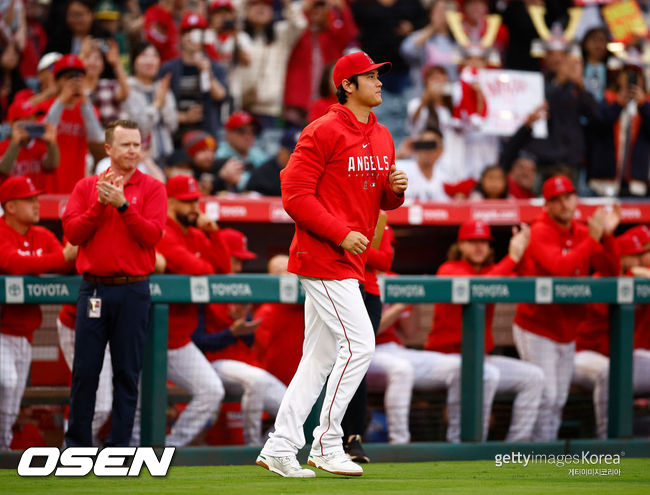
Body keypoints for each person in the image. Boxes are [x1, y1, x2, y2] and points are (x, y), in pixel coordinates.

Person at [256, 51, 408, 478]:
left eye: (379, 75)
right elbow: (296, 197)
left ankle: (281, 445)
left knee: (318, 360)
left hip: (350, 258)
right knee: (359, 346)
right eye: (370, 75)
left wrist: (393, 192)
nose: (379, 81)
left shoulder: (383, 135)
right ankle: (327, 441)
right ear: (347, 85)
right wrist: (340, 233)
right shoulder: (321, 130)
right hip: (323, 256)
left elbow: (377, 200)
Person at [62, 120, 167, 447]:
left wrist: (122, 205)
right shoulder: (86, 187)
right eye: (126, 145)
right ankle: (77, 446)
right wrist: (99, 205)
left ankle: (120, 448)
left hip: (134, 289)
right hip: (94, 288)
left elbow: (152, 236)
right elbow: (73, 234)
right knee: (85, 373)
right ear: (108, 149)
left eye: (137, 144)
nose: (133, 151)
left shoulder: (153, 188)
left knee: (127, 373)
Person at [512, 176, 620, 442]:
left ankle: (545, 452)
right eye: (556, 200)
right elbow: (559, 270)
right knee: (546, 394)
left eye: (568, 197)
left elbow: (611, 270)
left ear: (576, 199)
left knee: (558, 398)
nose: (564, 204)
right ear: (546, 205)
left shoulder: (583, 231)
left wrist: (606, 236)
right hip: (536, 326)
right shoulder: (539, 230)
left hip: (568, 329)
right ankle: (520, 449)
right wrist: (592, 239)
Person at [131, 175, 229, 446]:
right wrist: (204, 265)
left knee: (211, 390)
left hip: (178, 340)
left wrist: (214, 232)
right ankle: (129, 459)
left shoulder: (197, 234)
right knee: (138, 407)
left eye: (196, 200)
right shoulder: (161, 230)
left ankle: (171, 447)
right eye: (187, 202)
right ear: (171, 203)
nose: (194, 207)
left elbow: (223, 269)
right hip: (146, 337)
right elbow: (196, 269)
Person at [427, 220, 545, 442]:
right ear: (460, 245)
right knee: (486, 375)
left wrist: (524, 251)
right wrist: (511, 258)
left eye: (484, 242)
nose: (479, 247)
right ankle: (467, 443)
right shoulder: (449, 269)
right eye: (472, 242)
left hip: (480, 358)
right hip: (445, 357)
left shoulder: (494, 271)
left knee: (534, 377)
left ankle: (516, 446)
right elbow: (478, 287)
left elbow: (526, 282)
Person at [0, 176, 77, 450]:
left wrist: (76, 251)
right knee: (6, 381)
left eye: (36, 198)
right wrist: (63, 257)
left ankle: (3, 453)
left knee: (11, 405)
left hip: (25, 334)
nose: (36, 204)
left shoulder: (42, 235)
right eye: (29, 200)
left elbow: (65, 265)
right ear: (10, 206)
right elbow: (12, 264)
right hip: (1, 332)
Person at [195, 228, 288, 446]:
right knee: (254, 381)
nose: (238, 268)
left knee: (293, 410)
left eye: (241, 262)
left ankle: (267, 448)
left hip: (244, 364)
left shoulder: (239, 288)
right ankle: (252, 447)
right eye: (235, 260)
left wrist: (243, 325)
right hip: (213, 365)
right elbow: (198, 342)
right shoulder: (205, 284)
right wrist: (231, 333)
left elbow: (248, 342)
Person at [574, 230, 650, 439]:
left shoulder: (641, 281)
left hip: (621, 356)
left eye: (640, 254)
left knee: (617, 368)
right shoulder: (601, 280)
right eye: (633, 255)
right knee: (610, 373)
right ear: (620, 257)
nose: (639, 260)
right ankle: (607, 440)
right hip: (583, 354)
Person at [159, 12, 228, 142]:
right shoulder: (168, 69)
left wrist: (207, 72)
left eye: (197, 32)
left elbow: (221, 96)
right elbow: (158, 105)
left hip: (207, 136)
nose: (191, 37)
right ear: (180, 37)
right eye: (187, 32)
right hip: (175, 138)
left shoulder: (215, 67)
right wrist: (184, 116)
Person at [44, 53, 104, 194]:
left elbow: (96, 137)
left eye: (78, 77)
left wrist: (84, 102)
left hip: (77, 182)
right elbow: (44, 131)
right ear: (57, 81)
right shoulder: (45, 107)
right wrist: (61, 100)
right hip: (50, 181)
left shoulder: (89, 109)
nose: (74, 82)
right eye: (68, 77)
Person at [253, 255, 305, 387]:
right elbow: (259, 355)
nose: (287, 275)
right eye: (279, 271)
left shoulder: (310, 307)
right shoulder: (266, 312)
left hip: (306, 382)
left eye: (290, 270)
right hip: (274, 385)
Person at [123, 42, 178, 163]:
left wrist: (163, 106)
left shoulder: (162, 87)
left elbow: (173, 124)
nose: (150, 61)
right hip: (138, 158)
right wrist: (156, 104)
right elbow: (140, 127)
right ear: (134, 60)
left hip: (166, 155)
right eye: (144, 55)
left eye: (154, 56)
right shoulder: (127, 89)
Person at [0, 98, 59, 191]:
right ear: (13, 123)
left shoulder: (41, 143)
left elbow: (51, 164)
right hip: (13, 200)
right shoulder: (3, 145)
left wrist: (52, 144)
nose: (32, 122)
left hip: (38, 198)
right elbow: (4, 169)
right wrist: (15, 144)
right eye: (27, 118)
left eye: (34, 117)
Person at [396, 126, 450, 202]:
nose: (427, 150)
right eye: (424, 145)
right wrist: (400, 154)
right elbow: (380, 172)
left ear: (441, 150)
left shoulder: (446, 178)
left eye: (431, 146)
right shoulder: (402, 168)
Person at [246, 128, 299, 196]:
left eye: (301, 154)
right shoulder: (262, 176)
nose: (298, 158)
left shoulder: (306, 173)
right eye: (293, 153)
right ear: (281, 151)